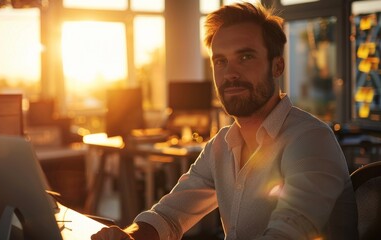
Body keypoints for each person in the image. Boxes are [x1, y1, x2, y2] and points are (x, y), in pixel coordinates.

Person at [91, 2, 358, 240]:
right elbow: (168, 216)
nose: (230, 73)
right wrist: (130, 236)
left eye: (245, 57)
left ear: (277, 66)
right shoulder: (221, 145)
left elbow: (288, 231)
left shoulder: (310, 139)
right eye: (220, 61)